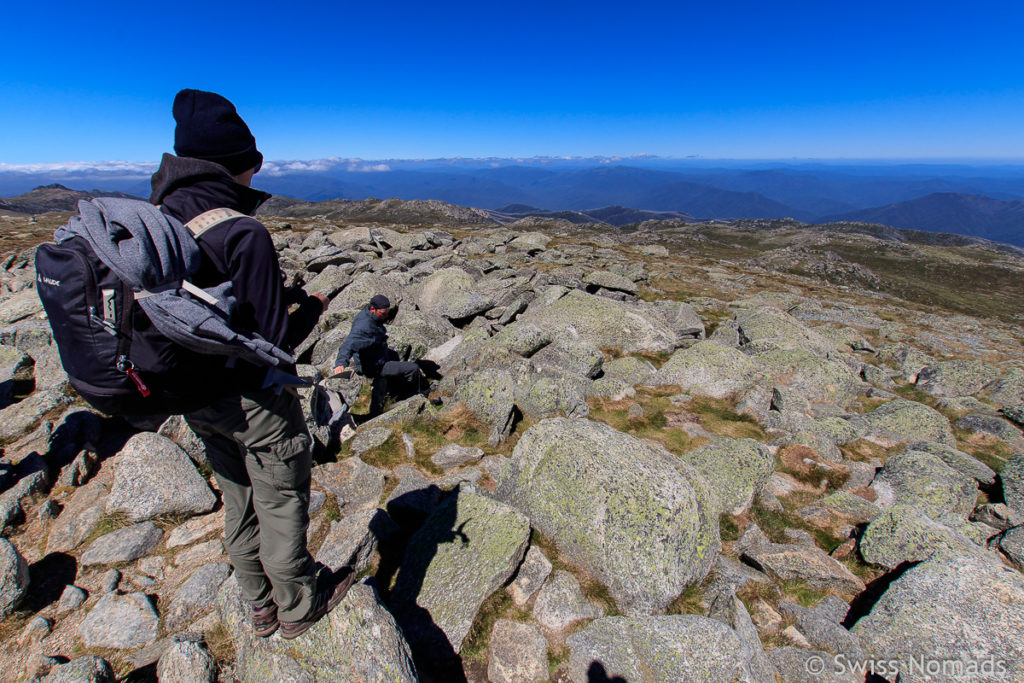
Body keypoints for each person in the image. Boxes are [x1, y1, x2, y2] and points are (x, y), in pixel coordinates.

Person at [150, 88, 352, 640]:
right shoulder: (243, 231)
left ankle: (256, 603)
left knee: (236, 495)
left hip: (195, 396)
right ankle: (297, 607)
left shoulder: (156, 222)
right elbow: (275, 343)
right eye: (254, 163)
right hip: (254, 399)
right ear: (239, 165)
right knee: (281, 496)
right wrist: (311, 306)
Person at [332, 294, 428, 415]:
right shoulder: (363, 327)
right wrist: (340, 363)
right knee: (413, 368)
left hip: (379, 354)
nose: (386, 316)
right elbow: (348, 344)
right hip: (375, 366)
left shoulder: (368, 314)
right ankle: (418, 396)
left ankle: (395, 388)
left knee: (396, 357)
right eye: (383, 313)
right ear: (373, 309)